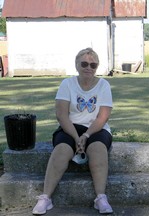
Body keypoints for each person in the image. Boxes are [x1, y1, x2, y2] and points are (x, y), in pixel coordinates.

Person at [32, 48, 114, 215]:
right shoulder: (67, 84)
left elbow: (102, 117)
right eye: (84, 63)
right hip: (70, 127)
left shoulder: (103, 85)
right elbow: (61, 115)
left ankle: (101, 198)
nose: (88, 68)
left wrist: (86, 136)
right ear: (77, 65)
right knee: (61, 150)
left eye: (93, 65)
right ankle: (45, 198)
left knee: (98, 149)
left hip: (96, 129)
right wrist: (77, 138)